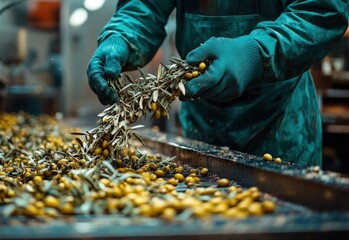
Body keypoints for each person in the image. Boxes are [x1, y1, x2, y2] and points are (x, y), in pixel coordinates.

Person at [86, 1, 349, 167]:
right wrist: (120, 36)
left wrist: (257, 53)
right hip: (203, 117)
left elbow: (322, 9)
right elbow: (146, 5)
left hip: (281, 121)